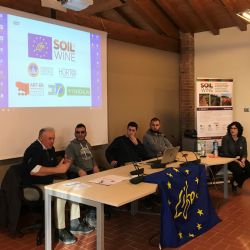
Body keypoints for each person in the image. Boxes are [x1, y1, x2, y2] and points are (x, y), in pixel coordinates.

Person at [21, 127, 94, 245]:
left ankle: (75, 223)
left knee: (73, 188)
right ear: (41, 138)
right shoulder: (34, 149)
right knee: (61, 193)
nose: (52, 141)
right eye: (49, 138)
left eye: (53, 138)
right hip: (33, 185)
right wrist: (57, 169)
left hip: (47, 181)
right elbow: (34, 170)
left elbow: (54, 166)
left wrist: (63, 163)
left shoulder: (50, 149)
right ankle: (60, 230)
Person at [65, 123, 100, 227]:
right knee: (90, 190)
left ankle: (95, 212)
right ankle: (89, 216)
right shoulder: (71, 146)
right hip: (79, 174)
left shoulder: (87, 144)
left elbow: (92, 158)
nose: (80, 134)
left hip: (90, 172)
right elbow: (68, 165)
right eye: (78, 132)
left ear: (86, 133)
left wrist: (95, 166)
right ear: (74, 133)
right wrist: (78, 170)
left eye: (82, 132)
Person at [221, 121, 250, 192]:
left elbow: (244, 152)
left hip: (240, 159)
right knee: (239, 171)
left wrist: (243, 160)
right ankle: (235, 183)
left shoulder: (242, 139)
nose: (232, 130)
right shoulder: (226, 138)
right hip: (229, 160)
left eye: (235, 128)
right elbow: (225, 154)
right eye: (231, 128)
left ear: (239, 130)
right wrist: (237, 162)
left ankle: (235, 182)